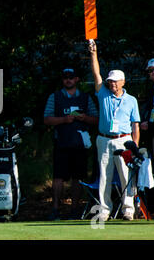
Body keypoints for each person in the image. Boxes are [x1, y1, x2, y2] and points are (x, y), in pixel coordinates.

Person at [88, 39, 141, 221]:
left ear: (123, 82)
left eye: (115, 82)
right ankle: (104, 210)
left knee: (127, 174)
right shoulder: (103, 93)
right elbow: (96, 75)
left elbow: (136, 124)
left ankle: (128, 209)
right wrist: (93, 53)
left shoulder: (131, 100)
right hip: (103, 139)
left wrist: (135, 145)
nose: (112, 84)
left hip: (124, 139)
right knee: (105, 174)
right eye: (110, 81)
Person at [44, 68, 99, 220]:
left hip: (80, 144)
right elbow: (47, 119)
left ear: (77, 79)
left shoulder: (85, 98)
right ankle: (55, 210)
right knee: (58, 178)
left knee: (78, 178)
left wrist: (84, 118)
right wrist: (63, 120)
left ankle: (75, 210)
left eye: (71, 77)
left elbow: (96, 120)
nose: (68, 80)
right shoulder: (54, 97)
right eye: (65, 77)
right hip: (61, 143)